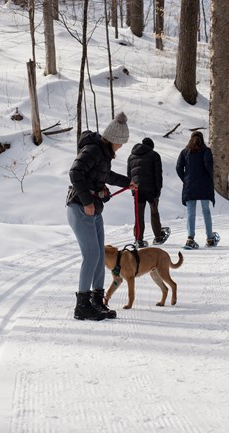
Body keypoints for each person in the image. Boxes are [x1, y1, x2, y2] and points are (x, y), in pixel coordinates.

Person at [66, 112, 136, 320]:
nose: (121, 147)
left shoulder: (103, 155)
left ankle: (97, 300)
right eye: (121, 143)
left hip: (93, 210)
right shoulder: (93, 150)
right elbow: (75, 173)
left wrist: (127, 182)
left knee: (99, 255)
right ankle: (82, 305)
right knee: (91, 255)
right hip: (80, 208)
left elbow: (105, 176)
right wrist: (87, 200)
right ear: (114, 139)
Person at [176, 131, 217, 249]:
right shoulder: (206, 151)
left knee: (191, 212)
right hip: (204, 185)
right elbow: (209, 167)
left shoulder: (184, 152)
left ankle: (190, 238)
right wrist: (209, 179)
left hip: (190, 186)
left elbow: (178, 168)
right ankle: (210, 238)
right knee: (206, 210)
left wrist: (186, 179)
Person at [127, 137, 170, 247]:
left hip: (137, 190)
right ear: (151, 146)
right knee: (154, 212)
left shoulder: (131, 157)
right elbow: (158, 174)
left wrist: (132, 191)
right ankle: (158, 236)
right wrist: (158, 190)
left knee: (139, 215)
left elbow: (129, 175)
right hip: (151, 189)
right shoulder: (154, 155)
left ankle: (138, 239)